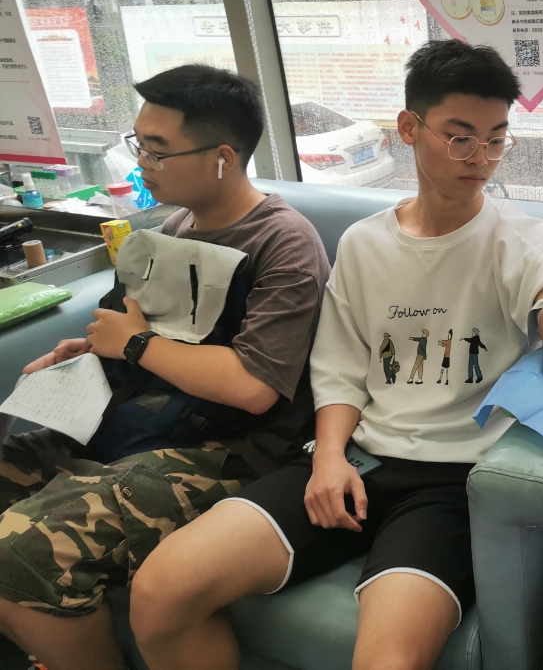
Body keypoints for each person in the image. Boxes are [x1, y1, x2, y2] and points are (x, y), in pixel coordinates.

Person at [129, 39, 543, 670]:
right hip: (357, 459)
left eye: (496, 138)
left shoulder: (528, 244)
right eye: (460, 137)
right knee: (159, 593)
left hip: (448, 485)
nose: (481, 158)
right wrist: (328, 459)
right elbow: (340, 370)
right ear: (408, 128)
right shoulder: (364, 245)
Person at [0, 64, 330, 670]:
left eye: (157, 150)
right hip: (141, 423)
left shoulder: (283, 243)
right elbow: (141, 338)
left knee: (18, 551)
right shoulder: (171, 229)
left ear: (222, 158)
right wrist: (93, 349)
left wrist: (134, 344)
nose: (142, 164)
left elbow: (255, 387)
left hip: (234, 449)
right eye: (139, 145)